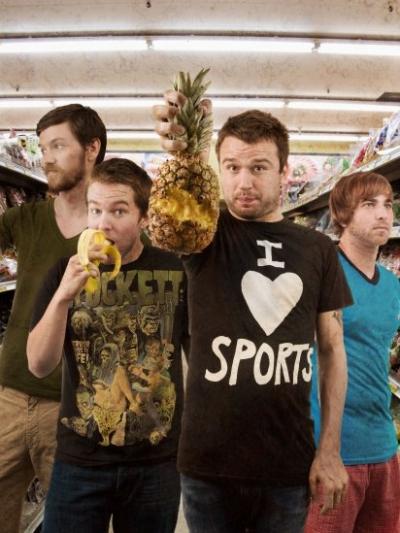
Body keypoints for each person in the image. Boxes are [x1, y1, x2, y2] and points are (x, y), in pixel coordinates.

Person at [152, 101, 353, 532]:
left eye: (259, 167)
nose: (244, 182)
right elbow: (174, 202)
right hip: (207, 465)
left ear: (284, 172)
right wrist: (180, 139)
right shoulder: (203, 234)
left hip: (287, 465)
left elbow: (333, 350)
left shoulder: (318, 249)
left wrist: (330, 449)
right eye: (232, 167)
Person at [27, 157, 189, 533]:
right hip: (80, 461)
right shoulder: (63, 272)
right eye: (95, 209)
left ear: (144, 217)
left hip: (157, 462)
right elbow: (38, 364)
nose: (103, 224)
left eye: (118, 211)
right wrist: (63, 297)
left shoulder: (175, 271)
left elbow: (197, 360)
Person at [0, 103, 107, 532]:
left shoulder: (115, 230)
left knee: (76, 521)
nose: (46, 159)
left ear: (92, 148)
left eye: (58, 146)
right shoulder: (25, 218)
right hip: (8, 395)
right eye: (43, 148)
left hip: (74, 405)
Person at [306, 171, 400, 532]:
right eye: (369, 204)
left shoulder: (391, 284)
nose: (383, 214)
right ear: (343, 215)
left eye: (388, 204)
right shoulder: (320, 273)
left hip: (384, 445)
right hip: (333, 451)